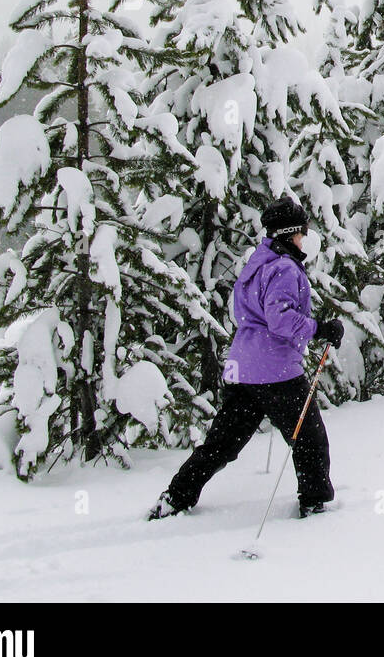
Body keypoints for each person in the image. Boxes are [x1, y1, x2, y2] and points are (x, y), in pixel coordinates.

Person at [147, 197, 344, 520]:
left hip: (244, 369)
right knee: (309, 437)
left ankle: (175, 497)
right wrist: (321, 328)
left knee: (221, 443)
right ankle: (314, 501)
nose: (303, 239)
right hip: (275, 372)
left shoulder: (258, 262)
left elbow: (245, 312)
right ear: (289, 233)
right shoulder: (282, 268)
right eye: (301, 233)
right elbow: (280, 319)